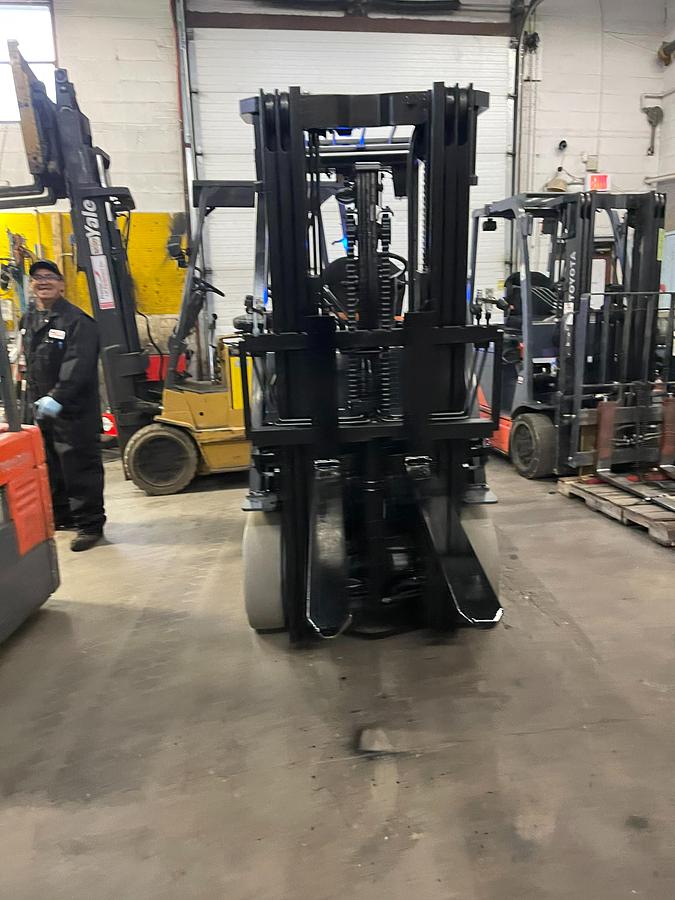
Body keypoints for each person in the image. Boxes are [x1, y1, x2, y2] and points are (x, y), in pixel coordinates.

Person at [22, 259, 105, 551]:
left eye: (49, 277)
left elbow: (78, 367)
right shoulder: (31, 317)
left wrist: (56, 398)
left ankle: (90, 525)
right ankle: (64, 516)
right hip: (43, 410)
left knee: (79, 468)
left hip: (74, 412)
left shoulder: (78, 322)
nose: (43, 282)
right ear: (31, 285)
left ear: (62, 284)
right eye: (37, 278)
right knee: (52, 468)